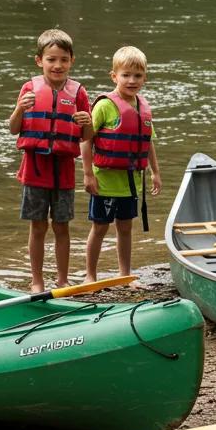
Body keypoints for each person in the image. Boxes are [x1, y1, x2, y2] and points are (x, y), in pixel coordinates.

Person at [8, 28, 93, 292]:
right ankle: (37, 280)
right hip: (34, 170)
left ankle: (62, 278)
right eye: (51, 59)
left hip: (64, 170)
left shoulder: (78, 92)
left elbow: (86, 136)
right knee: (37, 227)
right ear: (39, 61)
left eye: (63, 60)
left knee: (61, 226)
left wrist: (87, 123)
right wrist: (20, 108)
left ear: (71, 61)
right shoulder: (29, 88)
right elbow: (13, 128)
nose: (57, 65)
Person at [82, 46, 162, 283]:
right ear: (114, 76)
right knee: (99, 228)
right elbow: (86, 139)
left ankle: (124, 274)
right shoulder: (105, 105)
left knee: (125, 228)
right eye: (126, 75)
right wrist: (87, 174)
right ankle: (90, 275)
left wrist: (155, 172)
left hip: (130, 183)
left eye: (137, 76)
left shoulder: (142, 107)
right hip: (104, 182)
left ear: (144, 77)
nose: (132, 80)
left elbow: (148, 143)